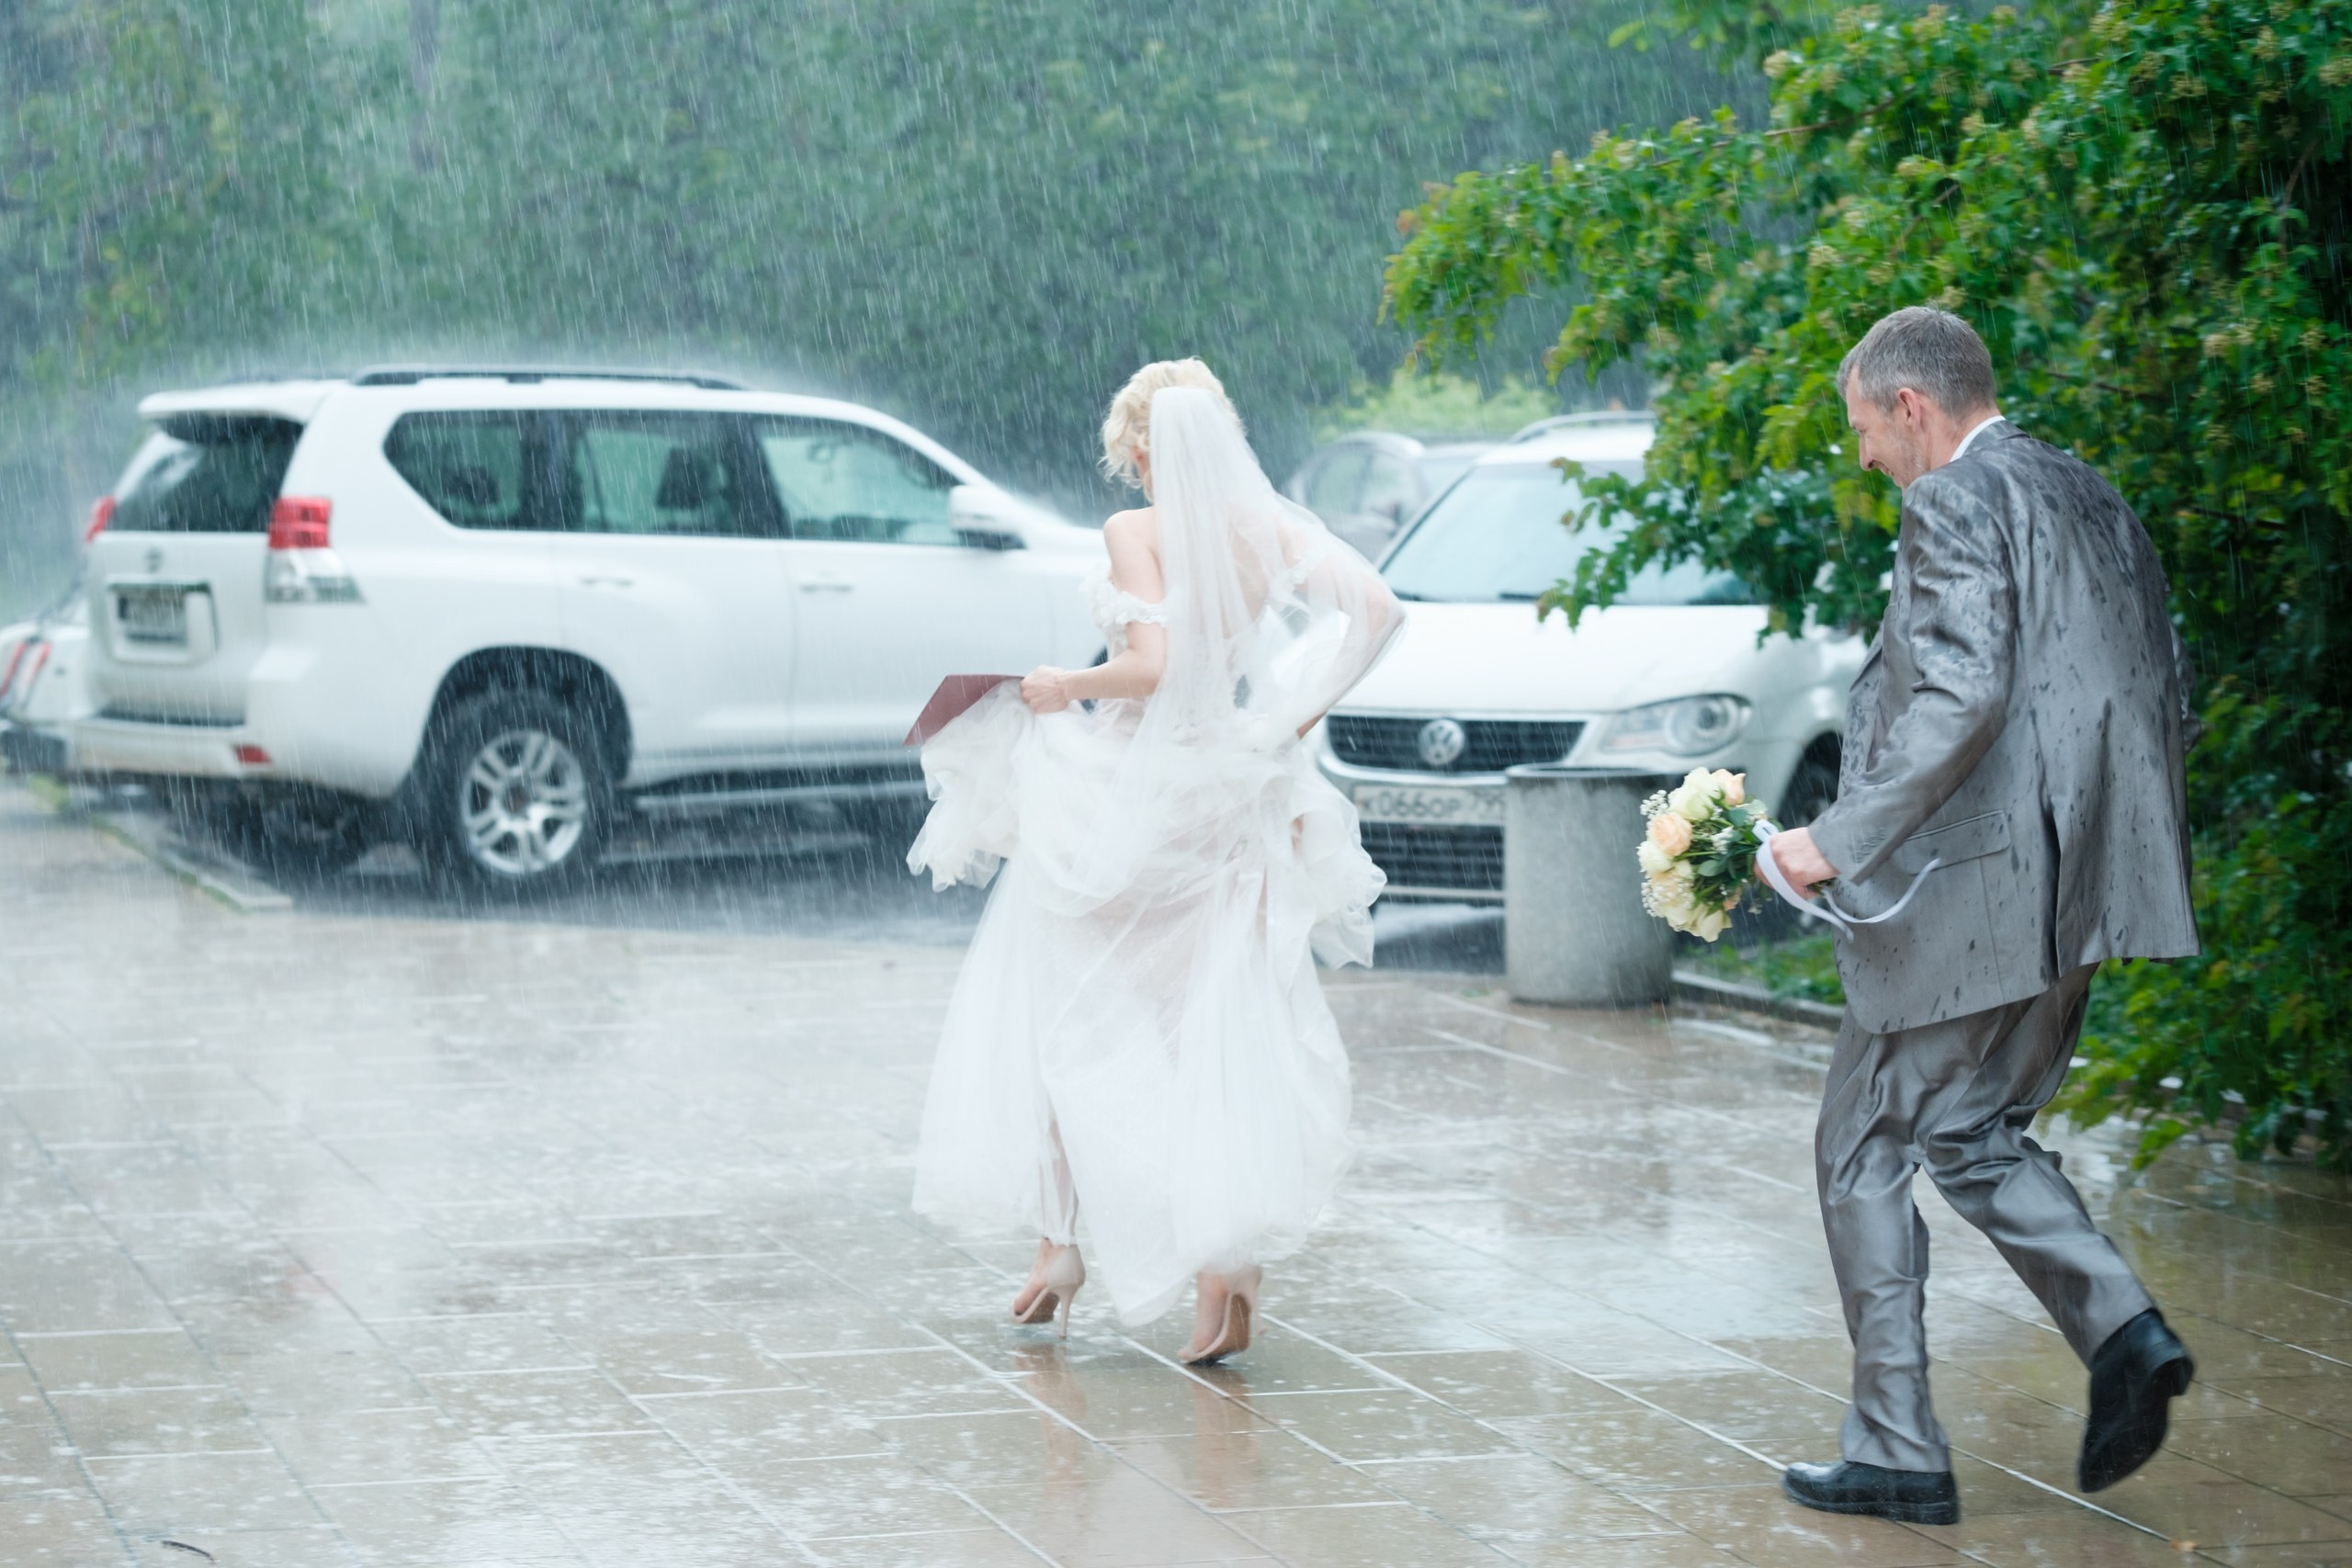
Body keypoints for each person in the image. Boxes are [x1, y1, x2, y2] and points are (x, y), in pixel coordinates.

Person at [1765, 307, 2200, 1524]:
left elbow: (1960, 694)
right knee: (1969, 1128)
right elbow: (2166, 680)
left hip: (1979, 887)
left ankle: (1899, 1448)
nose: (1863, 455)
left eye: (1864, 427)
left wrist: (1832, 839)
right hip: (2087, 887)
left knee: (1859, 1140)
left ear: (1912, 406)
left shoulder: (1953, 500)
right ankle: (2125, 1330)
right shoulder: (2084, 489)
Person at [906, 359, 1404, 1362]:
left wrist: (1060, 683)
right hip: (1225, 786)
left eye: (1126, 449)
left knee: (1060, 1004)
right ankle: (1222, 1274)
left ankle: (1061, 1247)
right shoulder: (1270, 530)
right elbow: (1380, 614)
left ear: (1139, 446)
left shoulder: (1137, 531)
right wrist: (1286, 719)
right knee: (1207, 1026)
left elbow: (1151, 665)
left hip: (1131, 789)